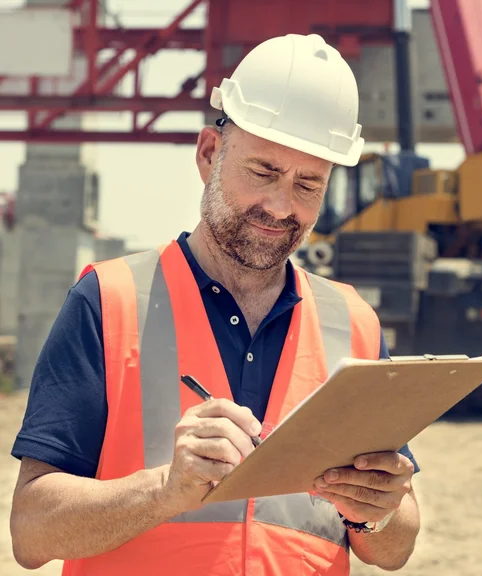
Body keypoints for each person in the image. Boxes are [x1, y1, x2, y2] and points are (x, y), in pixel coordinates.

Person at [10, 33, 421, 575]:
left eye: (308, 185)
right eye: (264, 172)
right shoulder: (107, 301)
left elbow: (396, 548)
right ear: (209, 154)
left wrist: (380, 514)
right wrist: (164, 488)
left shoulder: (355, 324)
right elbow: (31, 533)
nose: (281, 206)